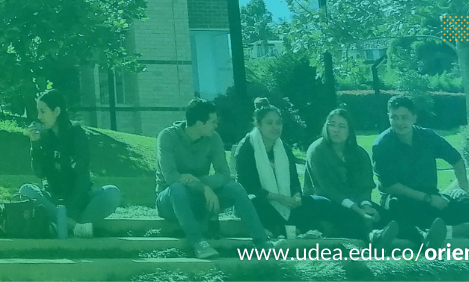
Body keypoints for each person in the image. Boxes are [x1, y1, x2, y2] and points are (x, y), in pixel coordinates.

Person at [156, 98, 275, 259]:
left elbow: (224, 174)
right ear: (199, 123)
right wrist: (203, 187)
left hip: (200, 199)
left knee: (235, 188)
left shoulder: (214, 138)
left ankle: (262, 241)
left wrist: (201, 185)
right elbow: (171, 178)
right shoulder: (168, 137)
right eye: (212, 121)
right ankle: (198, 242)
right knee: (177, 188)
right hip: (170, 202)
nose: (216, 125)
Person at [232, 98, 352, 241]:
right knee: (253, 202)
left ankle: (348, 232)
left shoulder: (284, 149)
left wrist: (296, 196)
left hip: (286, 202)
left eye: (278, 123)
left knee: (321, 202)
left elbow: (294, 181)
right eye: (269, 123)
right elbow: (247, 187)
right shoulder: (246, 148)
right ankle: (284, 228)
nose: (275, 127)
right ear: (258, 125)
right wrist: (279, 198)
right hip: (260, 201)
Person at [373, 95, 469, 245]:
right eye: (394, 117)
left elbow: (456, 159)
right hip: (403, 199)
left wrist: (463, 188)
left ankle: (434, 231)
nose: (399, 122)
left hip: (432, 198)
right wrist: (428, 198)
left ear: (414, 118)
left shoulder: (427, 136)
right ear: (389, 117)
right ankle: (446, 231)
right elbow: (390, 185)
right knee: (398, 207)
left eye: (404, 117)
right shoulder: (382, 145)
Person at [20, 89, 122, 238]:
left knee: (112, 193)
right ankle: (75, 226)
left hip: (79, 199)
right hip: (53, 199)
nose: (39, 117)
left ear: (56, 111)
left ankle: (65, 223)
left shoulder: (77, 135)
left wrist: (72, 206)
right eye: (38, 112)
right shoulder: (44, 137)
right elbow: (39, 173)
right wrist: (35, 145)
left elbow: (82, 174)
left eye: (43, 111)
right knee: (26, 190)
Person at [306, 108, 400, 243]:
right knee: (348, 216)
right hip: (324, 200)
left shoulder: (359, 153)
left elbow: (365, 184)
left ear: (349, 131)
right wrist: (357, 210)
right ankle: (373, 237)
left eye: (341, 126)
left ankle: (421, 237)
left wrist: (366, 205)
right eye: (331, 124)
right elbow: (328, 189)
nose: (335, 130)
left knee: (385, 216)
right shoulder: (317, 151)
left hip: (356, 200)